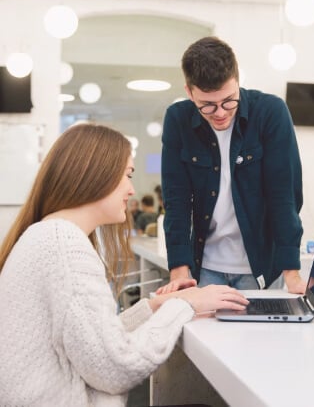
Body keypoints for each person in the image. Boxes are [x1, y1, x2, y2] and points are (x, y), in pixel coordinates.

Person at [0, 124, 248, 406]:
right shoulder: (64, 246)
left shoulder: (48, 236)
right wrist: (186, 306)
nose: (131, 190)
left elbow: (94, 340)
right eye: (127, 175)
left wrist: (157, 307)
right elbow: (116, 368)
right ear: (95, 175)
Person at [157, 36, 314, 297]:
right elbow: (176, 200)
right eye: (207, 106)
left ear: (237, 80)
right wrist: (179, 271)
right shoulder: (177, 119)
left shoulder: (270, 112)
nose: (220, 113)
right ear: (189, 92)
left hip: (259, 267)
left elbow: (284, 196)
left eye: (228, 100)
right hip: (206, 267)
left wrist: (292, 274)